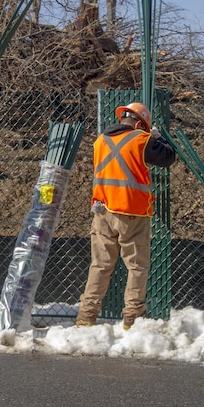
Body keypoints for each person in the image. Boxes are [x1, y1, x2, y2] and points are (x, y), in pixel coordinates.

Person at [76, 101, 177, 330]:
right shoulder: (142, 140)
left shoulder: (100, 141)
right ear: (140, 123)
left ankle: (86, 315)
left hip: (102, 212)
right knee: (137, 267)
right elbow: (168, 157)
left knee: (100, 265)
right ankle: (132, 318)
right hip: (132, 213)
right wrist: (157, 137)